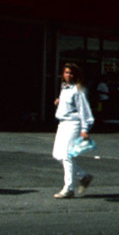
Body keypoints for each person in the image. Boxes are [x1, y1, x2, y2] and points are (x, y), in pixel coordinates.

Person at [52, 62, 95, 198]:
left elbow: (84, 111)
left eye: (71, 73)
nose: (68, 75)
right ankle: (83, 176)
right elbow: (69, 104)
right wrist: (59, 102)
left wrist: (84, 128)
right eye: (66, 72)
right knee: (57, 154)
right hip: (62, 123)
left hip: (73, 123)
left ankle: (68, 189)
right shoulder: (64, 88)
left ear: (75, 75)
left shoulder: (78, 90)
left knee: (67, 155)